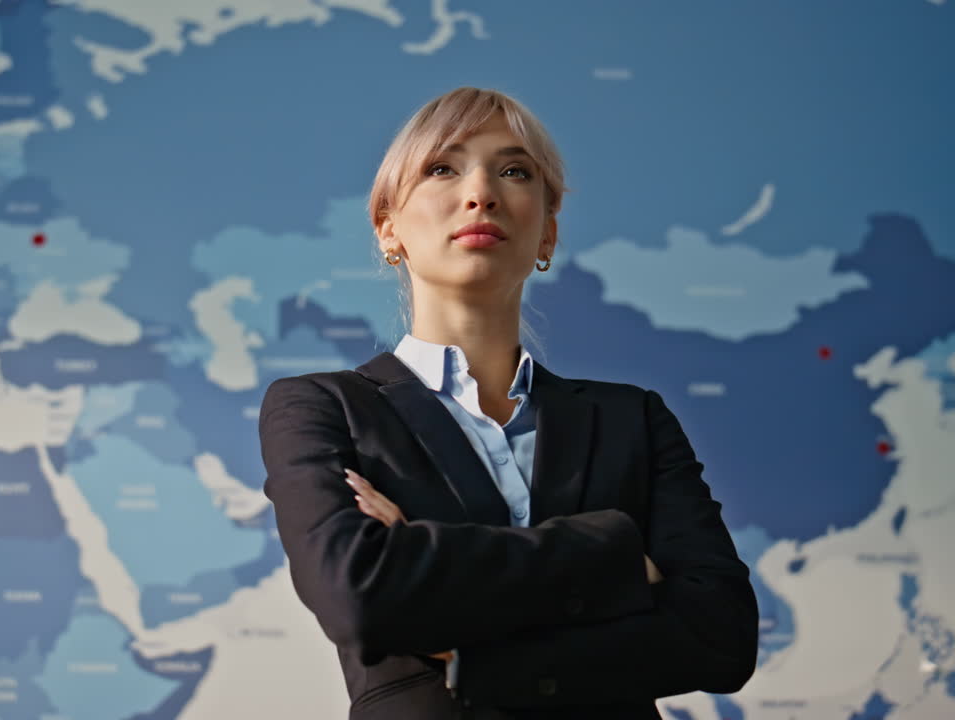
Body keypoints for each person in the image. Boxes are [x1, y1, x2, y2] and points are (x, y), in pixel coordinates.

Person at [258, 87, 758, 719]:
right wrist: (616, 555)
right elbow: (357, 594)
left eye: (515, 172)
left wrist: (459, 635)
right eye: (443, 168)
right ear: (388, 227)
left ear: (547, 233)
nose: (481, 194)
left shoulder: (632, 419)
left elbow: (722, 636)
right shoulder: (321, 409)